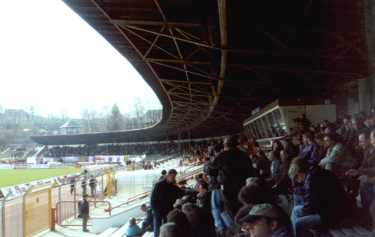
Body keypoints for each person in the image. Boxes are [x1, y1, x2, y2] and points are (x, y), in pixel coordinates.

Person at [289, 157, 355, 237]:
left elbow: (311, 206)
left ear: (299, 173)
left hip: (332, 215)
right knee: (296, 210)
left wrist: (304, 210)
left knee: (298, 223)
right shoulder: (316, 172)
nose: (298, 181)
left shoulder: (312, 179)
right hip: (326, 209)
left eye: (296, 178)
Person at [209, 135, 255, 216]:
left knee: (233, 207)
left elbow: (211, 169)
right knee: (245, 203)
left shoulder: (222, 155)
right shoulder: (244, 154)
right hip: (243, 184)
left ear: (225, 145)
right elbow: (250, 169)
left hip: (229, 187)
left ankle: (239, 223)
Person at [150, 169, 183, 237]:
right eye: (173, 177)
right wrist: (154, 209)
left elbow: (180, 192)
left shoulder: (172, 185)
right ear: (168, 175)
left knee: (167, 225)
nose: (174, 178)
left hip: (167, 208)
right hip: (158, 209)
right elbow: (154, 198)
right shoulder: (159, 185)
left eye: (175, 177)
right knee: (157, 225)